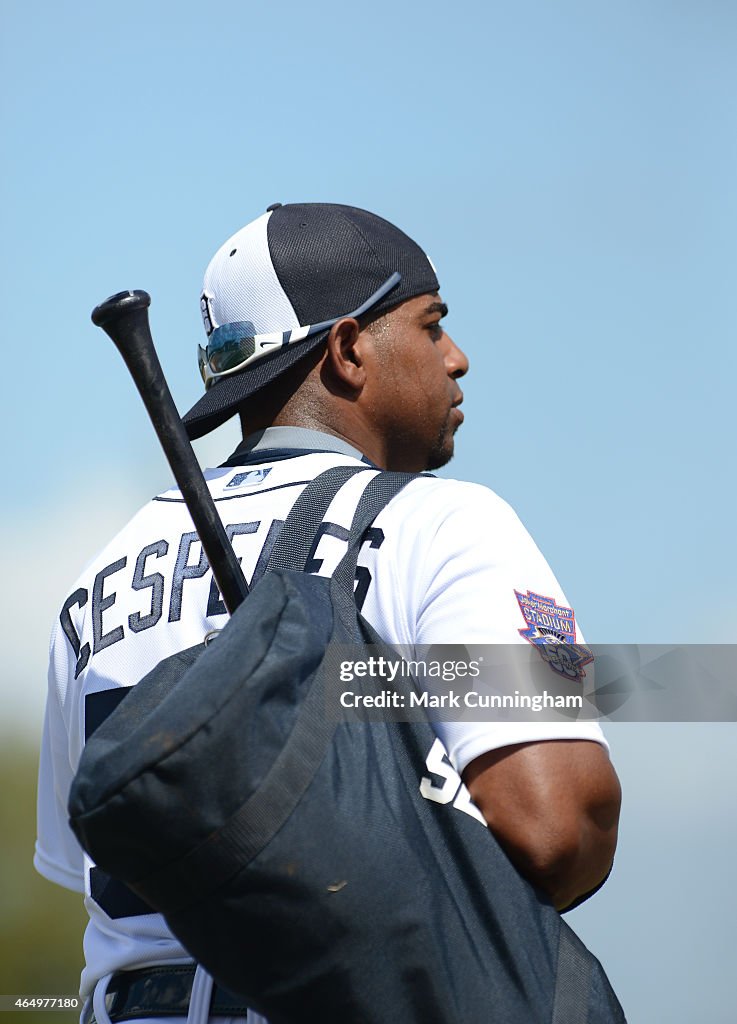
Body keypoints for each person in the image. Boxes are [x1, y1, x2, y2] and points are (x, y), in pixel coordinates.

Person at [36, 202, 621, 1024]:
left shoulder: (93, 582)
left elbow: (86, 873)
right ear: (348, 351)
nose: (458, 358)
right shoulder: (443, 522)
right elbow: (560, 824)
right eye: (431, 324)